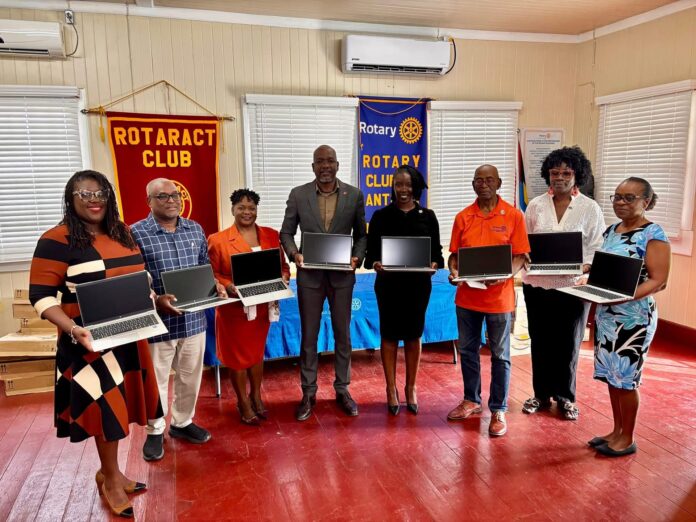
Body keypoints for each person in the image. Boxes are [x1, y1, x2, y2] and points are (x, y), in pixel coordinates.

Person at [29, 170, 162, 518]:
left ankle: (110, 472)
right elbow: (41, 297)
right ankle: (112, 481)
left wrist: (152, 297)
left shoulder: (122, 232)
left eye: (101, 192)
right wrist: (73, 329)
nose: (94, 199)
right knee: (106, 413)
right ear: (71, 198)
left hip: (129, 336)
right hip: (88, 343)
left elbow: (139, 276)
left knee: (122, 409)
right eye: (85, 194)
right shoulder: (56, 240)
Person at [131, 178, 224, 462]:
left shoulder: (194, 229)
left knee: (190, 376)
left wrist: (215, 285)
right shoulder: (135, 233)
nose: (171, 200)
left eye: (175, 195)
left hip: (194, 319)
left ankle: (182, 423)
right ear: (149, 201)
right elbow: (135, 278)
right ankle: (155, 430)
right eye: (162, 196)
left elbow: (204, 266)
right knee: (156, 381)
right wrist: (155, 299)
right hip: (158, 322)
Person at [280, 144, 367, 421]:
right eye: (320, 161)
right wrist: (294, 254)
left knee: (343, 334)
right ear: (313, 166)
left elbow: (362, 235)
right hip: (310, 276)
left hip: (342, 276)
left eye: (330, 161)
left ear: (337, 165)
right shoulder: (298, 194)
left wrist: (356, 257)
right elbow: (286, 233)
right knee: (309, 335)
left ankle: (343, 389)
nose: (325, 166)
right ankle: (308, 392)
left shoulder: (354, 195)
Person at [521, 146, 605, 420]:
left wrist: (585, 267)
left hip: (573, 285)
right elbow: (525, 243)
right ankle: (541, 394)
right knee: (540, 340)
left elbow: (596, 246)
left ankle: (566, 397)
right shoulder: (535, 205)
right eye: (554, 172)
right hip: (537, 285)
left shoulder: (590, 208)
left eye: (566, 173)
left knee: (569, 343)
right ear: (547, 174)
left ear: (577, 175)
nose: (559, 177)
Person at [588, 177, 670, 457]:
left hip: (634, 317)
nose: (621, 202)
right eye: (617, 197)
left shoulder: (653, 234)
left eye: (629, 198)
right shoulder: (612, 230)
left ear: (646, 201)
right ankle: (616, 431)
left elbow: (659, 281)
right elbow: (608, 270)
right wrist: (589, 280)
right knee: (613, 376)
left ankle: (628, 437)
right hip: (608, 314)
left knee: (626, 379)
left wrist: (624, 297)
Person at [446, 164, 530, 437]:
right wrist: (454, 272)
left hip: (499, 299)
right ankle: (471, 399)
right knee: (468, 351)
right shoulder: (463, 217)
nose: (483, 185)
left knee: (500, 355)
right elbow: (454, 256)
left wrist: (505, 275)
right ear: (473, 185)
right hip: (467, 298)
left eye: (489, 180)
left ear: (498, 183)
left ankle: (498, 408)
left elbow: (520, 257)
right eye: (478, 181)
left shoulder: (513, 215)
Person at [364, 165, 444, 415]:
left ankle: (411, 387)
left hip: (418, 287)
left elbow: (437, 254)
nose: (403, 189)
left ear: (416, 187)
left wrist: (434, 264)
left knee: (413, 336)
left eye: (408, 184)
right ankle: (391, 389)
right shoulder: (380, 216)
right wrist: (376, 263)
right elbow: (371, 254)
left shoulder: (428, 216)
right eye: (398, 184)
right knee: (389, 336)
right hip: (388, 286)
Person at [208, 189, 290, 424]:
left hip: (262, 307)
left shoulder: (271, 235)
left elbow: (283, 266)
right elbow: (212, 273)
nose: (247, 212)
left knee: (256, 354)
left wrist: (284, 278)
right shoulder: (218, 240)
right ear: (232, 210)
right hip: (235, 309)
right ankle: (242, 401)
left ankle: (256, 395)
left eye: (251, 208)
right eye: (241, 207)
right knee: (238, 359)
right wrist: (229, 285)